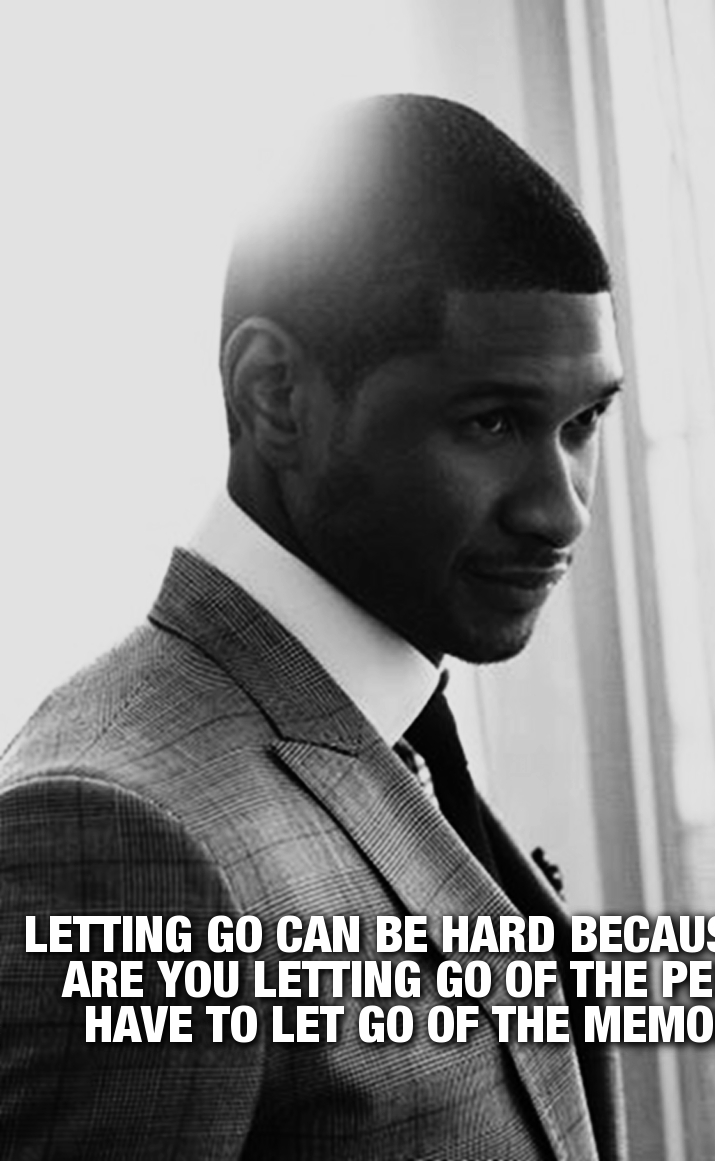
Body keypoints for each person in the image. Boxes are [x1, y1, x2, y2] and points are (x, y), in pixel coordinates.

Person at [0, 94, 626, 1159]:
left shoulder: (391, 723)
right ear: (275, 396)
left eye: (583, 423)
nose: (561, 510)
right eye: (491, 421)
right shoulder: (117, 838)